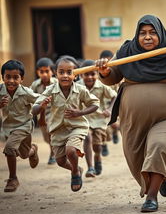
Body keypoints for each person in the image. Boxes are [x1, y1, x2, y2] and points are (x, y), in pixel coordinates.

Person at [95, 15, 166, 212]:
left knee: (159, 146)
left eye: (152, 33)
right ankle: (160, 176)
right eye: (143, 33)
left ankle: (151, 196)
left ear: (161, 33)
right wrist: (104, 72)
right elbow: (113, 76)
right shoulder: (127, 50)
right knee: (136, 157)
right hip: (134, 119)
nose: (147, 37)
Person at [32, 56, 99, 192]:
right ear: (55, 73)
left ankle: (75, 173)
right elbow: (34, 109)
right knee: (60, 161)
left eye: (69, 72)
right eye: (61, 72)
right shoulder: (50, 90)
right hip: (58, 130)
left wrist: (79, 113)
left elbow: (95, 104)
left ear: (75, 75)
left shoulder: (80, 89)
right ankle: (77, 168)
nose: (65, 75)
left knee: (71, 150)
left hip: (77, 127)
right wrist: (42, 106)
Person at [0, 60, 39, 192]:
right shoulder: (0, 91)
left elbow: (39, 99)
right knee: (24, 154)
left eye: (15, 77)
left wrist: (46, 103)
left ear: (21, 79)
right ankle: (33, 150)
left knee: (10, 148)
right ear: (3, 77)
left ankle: (13, 178)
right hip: (8, 128)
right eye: (8, 77)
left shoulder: (26, 93)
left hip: (24, 126)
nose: (11, 81)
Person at [77, 59, 116, 176]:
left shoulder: (102, 85)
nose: (89, 77)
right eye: (86, 74)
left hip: (99, 120)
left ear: (97, 74)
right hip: (84, 119)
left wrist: (109, 110)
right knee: (87, 138)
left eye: (92, 74)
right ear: (81, 75)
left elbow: (114, 96)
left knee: (97, 146)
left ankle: (97, 158)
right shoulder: (77, 86)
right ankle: (90, 168)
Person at [30, 57, 58, 165]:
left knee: (52, 133)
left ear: (52, 71)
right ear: (38, 72)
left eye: (47, 71)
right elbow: (30, 98)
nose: (45, 74)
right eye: (42, 72)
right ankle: (53, 150)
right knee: (47, 138)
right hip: (42, 115)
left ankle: (53, 154)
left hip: (55, 113)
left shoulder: (57, 83)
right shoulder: (35, 85)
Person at [99, 50, 120, 156]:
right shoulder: (100, 77)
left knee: (115, 125)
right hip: (104, 106)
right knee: (103, 128)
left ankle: (115, 132)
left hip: (115, 103)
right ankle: (104, 144)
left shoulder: (117, 75)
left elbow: (117, 93)